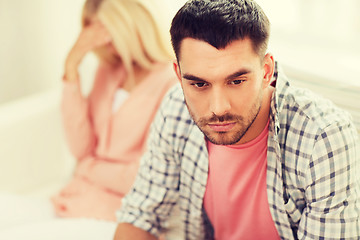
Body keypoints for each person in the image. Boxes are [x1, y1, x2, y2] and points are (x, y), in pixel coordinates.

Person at [114, 0, 360, 239]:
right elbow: (139, 216)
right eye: (199, 84)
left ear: (266, 71)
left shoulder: (324, 137)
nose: (218, 107)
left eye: (236, 81)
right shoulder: (175, 108)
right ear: (179, 76)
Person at [51, 0, 177, 221]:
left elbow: (145, 177)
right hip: (75, 198)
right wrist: (71, 67)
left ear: (130, 26)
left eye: (106, 32)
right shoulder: (108, 71)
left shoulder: (171, 83)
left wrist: (87, 168)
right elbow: (81, 148)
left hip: (120, 213)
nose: (102, 43)